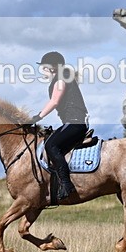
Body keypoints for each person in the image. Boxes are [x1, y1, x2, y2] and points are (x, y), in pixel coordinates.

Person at [29, 51, 89, 202]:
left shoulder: (61, 79)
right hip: (72, 122)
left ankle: (66, 184)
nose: (42, 71)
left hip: (75, 122)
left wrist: (37, 117)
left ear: (54, 67)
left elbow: (54, 101)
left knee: (51, 145)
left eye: (44, 67)